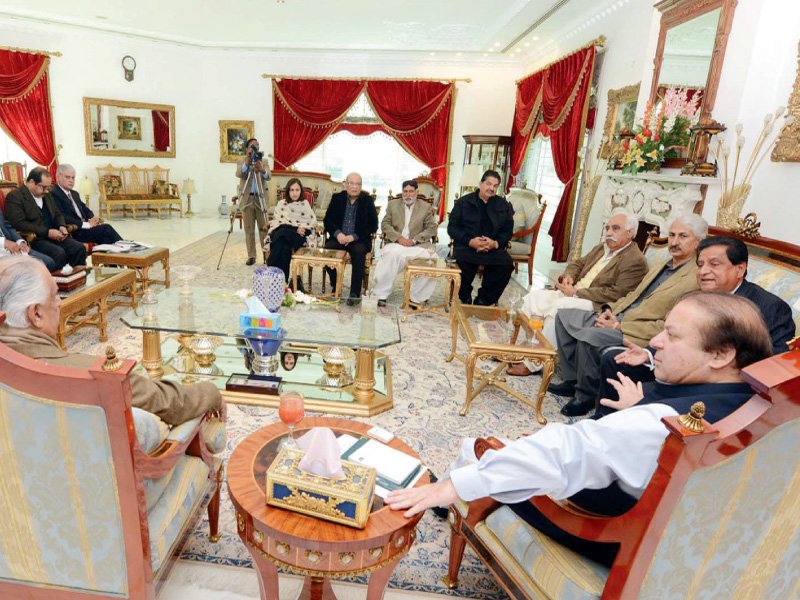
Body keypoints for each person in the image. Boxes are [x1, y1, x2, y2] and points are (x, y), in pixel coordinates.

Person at [386, 292, 772, 567]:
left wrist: (451, 485)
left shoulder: (660, 424)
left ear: (722, 354)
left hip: (612, 537)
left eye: (672, 335)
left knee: (485, 451)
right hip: (687, 545)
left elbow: (567, 449)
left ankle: (445, 500)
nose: (655, 341)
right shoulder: (762, 413)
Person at [0, 255, 224, 426]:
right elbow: (169, 403)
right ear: (36, 314)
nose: (59, 302)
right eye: (54, 295)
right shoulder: (89, 374)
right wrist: (211, 393)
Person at [594, 236, 796, 418]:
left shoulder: (770, 308)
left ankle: (633, 421)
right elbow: (676, 335)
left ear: (740, 269)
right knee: (615, 360)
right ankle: (605, 418)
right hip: (686, 367)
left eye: (714, 264)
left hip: (718, 386)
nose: (704, 271)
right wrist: (648, 354)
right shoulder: (696, 297)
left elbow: (771, 369)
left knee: (642, 388)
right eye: (700, 265)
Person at [551, 213, 707, 416]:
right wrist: (610, 311)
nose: (674, 242)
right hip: (620, 316)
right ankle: (572, 380)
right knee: (564, 316)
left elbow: (669, 325)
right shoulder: (665, 264)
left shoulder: (697, 277)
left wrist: (618, 326)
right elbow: (634, 294)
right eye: (672, 235)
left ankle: (585, 396)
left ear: (700, 241)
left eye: (683, 236)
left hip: (637, 332)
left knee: (589, 338)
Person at [508, 210, 647, 376]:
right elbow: (578, 264)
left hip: (595, 303)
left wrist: (578, 292)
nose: (609, 233)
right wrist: (569, 277)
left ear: (630, 232)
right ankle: (527, 348)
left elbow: (617, 293)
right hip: (573, 293)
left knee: (559, 308)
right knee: (533, 298)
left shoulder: (635, 260)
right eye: (607, 228)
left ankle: (534, 363)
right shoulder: (602, 247)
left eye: (615, 228)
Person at [447, 170, 514, 306]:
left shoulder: (503, 205)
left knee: (506, 266)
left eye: (495, 186)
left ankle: (484, 299)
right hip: (467, 246)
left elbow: (507, 231)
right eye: (488, 184)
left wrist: (495, 243)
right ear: (480, 184)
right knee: (461, 264)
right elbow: (452, 228)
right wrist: (470, 241)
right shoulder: (463, 202)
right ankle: (464, 295)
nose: (491, 188)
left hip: (493, 248)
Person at [4, 167, 86, 271]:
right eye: (43, 187)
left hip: (55, 235)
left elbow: (57, 213)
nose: (46, 191)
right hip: (34, 239)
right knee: (59, 253)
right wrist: (47, 232)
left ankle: (75, 280)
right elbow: (19, 224)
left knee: (79, 248)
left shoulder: (47, 195)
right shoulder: (15, 196)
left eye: (48, 187)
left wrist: (61, 226)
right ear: (32, 182)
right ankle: (57, 284)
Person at [372, 180, 439, 306]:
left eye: (411, 191)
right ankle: (381, 294)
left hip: (417, 245)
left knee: (431, 259)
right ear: (402, 192)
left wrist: (415, 240)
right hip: (397, 244)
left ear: (417, 192)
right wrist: (399, 238)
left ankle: (416, 298)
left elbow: (431, 228)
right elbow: (385, 224)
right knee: (390, 255)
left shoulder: (425, 207)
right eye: (405, 191)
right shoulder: (393, 205)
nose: (408, 195)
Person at [323, 172, 378, 301]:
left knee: (359, 253)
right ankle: (336, 284)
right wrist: (338, 234)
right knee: (327, 251)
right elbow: (328, 220)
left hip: (358, 239)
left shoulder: (367, 200)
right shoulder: (337, 198)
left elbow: (373, 225)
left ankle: (354, 293)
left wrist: (353, 236)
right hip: (339, 238)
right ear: (345, 185)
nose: (354, 187)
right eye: (351, 183)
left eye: (358, 184)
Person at [50, 164, 123, 245]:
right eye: (67, 177)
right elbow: (62, 216)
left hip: (86, 228)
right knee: (106, 228)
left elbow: (85, 209)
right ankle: (126, 247)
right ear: (58, 177)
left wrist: (92, 218)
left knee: (106, 240)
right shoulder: (53, 194)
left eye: (73, 178)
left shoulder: (74, 194)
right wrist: (87, 225)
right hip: (74, 231)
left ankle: (120, 253)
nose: (71, 180)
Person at [265, 177, 317, 287]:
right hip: (284, 233)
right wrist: (295, 228)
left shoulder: (305, 204)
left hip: (298, 236)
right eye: (292, 190)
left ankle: (275, 277)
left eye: (297, 190)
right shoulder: (281, 204)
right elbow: (278, 221)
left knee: (282, 234)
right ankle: (283, 281)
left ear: (301, 191)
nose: (294, 193)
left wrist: (297, 229)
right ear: (288, 191)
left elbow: (311, 222)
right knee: (283, 243)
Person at [236, 138, 271, 266]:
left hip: (260, 198)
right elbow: (239, 173)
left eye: (257, 145)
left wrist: (261, 169)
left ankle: (266, 255)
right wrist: (247, 161)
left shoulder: (264, 161)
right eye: (252, 146)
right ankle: (251, 256)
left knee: (264, 229)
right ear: (247, 149)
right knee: (249, 229)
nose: (255, 148)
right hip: (247, 199)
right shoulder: (241, 161)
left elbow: (269, 176)